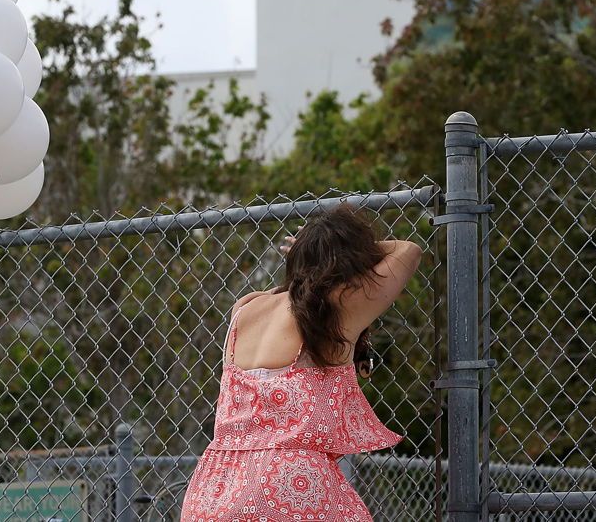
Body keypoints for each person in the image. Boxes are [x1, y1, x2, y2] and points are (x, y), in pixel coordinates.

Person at [179, 204, 423, 522]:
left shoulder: (247, 306)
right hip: (289, 486)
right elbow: (409, 251)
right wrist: (344, 250)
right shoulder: (335, 311)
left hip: (216, 487)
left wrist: (311, 250)